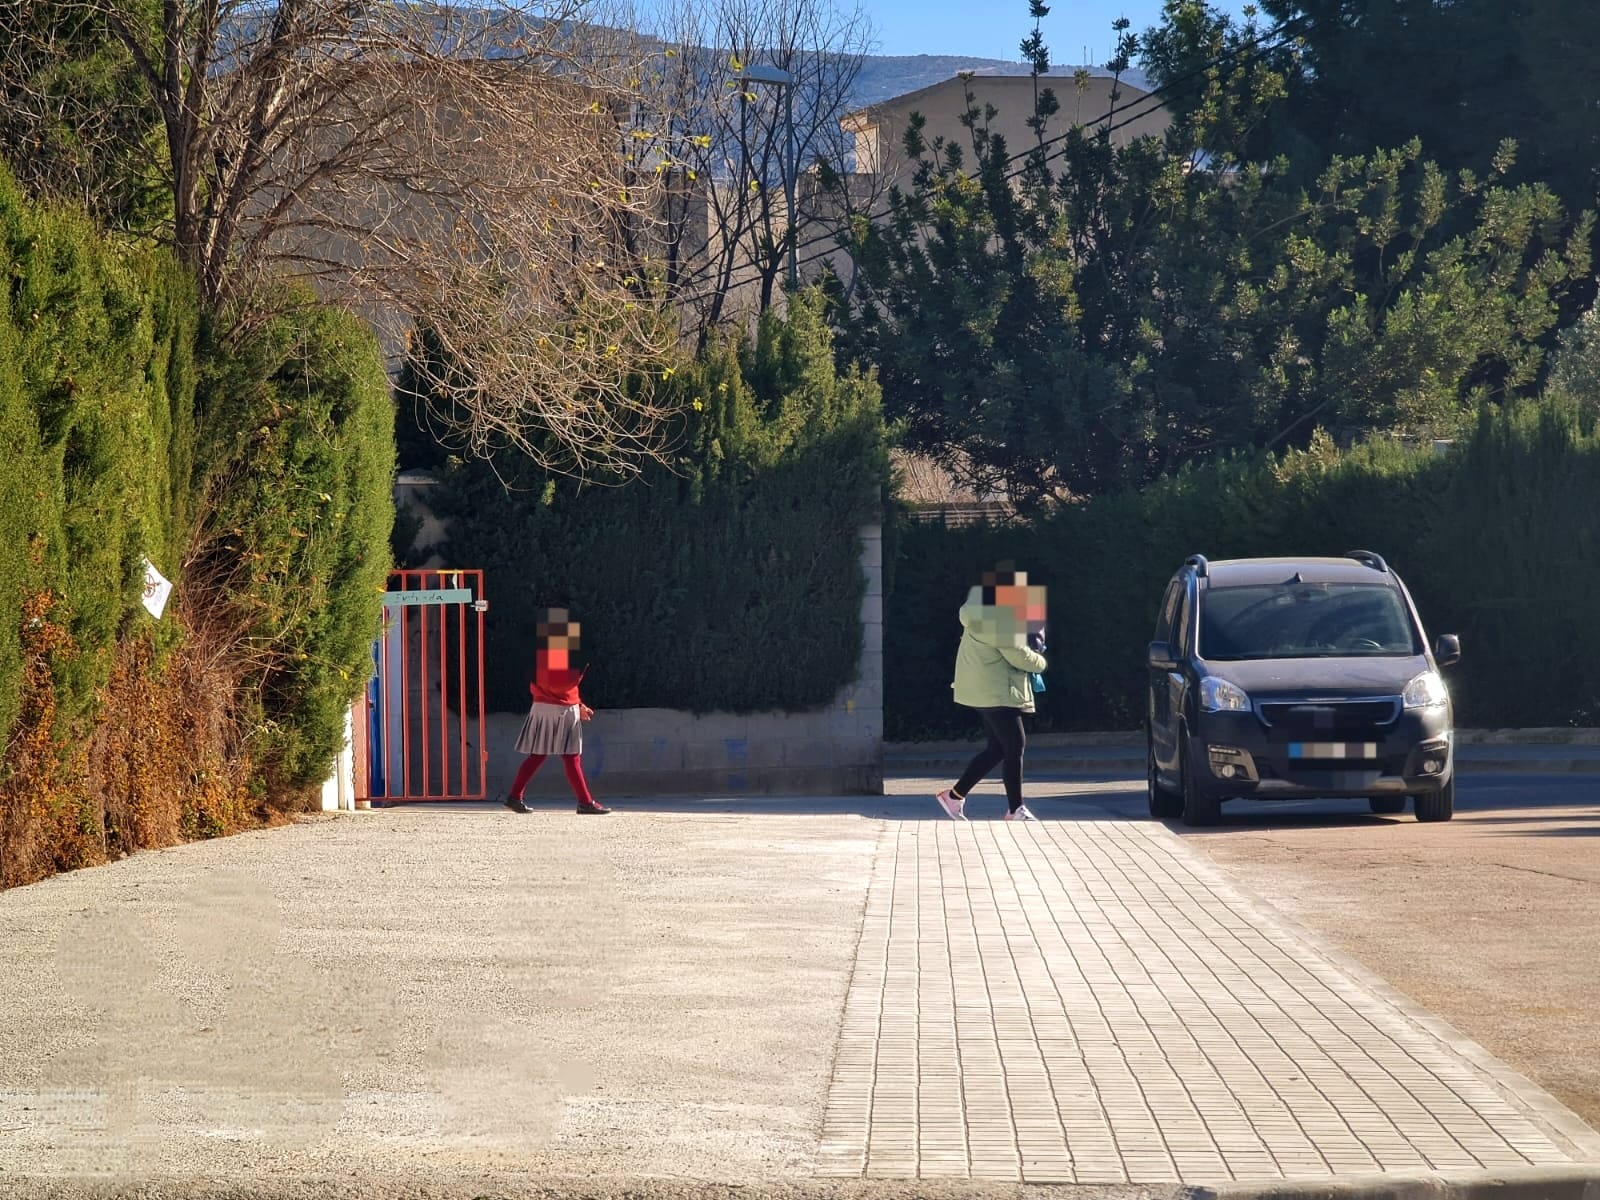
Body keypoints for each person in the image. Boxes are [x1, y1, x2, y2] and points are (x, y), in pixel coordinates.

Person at [935, 567, 1048, 822]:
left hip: (984, 691)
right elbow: (1021, 656)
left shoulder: (979, 615)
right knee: (1016, 745)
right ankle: (1016, 809)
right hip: (998, 693)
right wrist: (1042, 662)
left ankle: (954, 797)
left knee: (998, 749)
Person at [503, 607, 611, 815]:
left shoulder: (537, 654)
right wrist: (577, 704)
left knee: (538, 755)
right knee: (571, 757)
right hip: (562, 709)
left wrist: (578, 705)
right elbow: (564, 686)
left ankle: (515, 796)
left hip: (542, 706)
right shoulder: (567, 655)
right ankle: (585, 802)